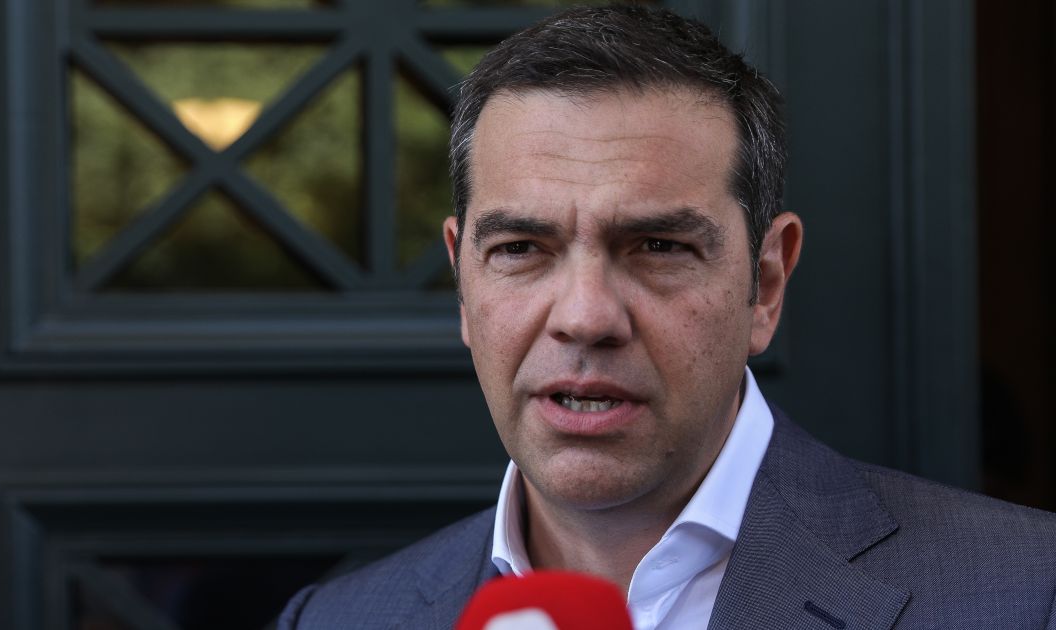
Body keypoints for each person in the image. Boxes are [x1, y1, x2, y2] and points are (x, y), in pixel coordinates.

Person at [279, 6, 1056, 629]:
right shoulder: (338, 620)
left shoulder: (1027, 595)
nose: (586, 317)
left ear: (766, 283)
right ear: (462, 282)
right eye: (521, 248)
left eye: (657, 246)